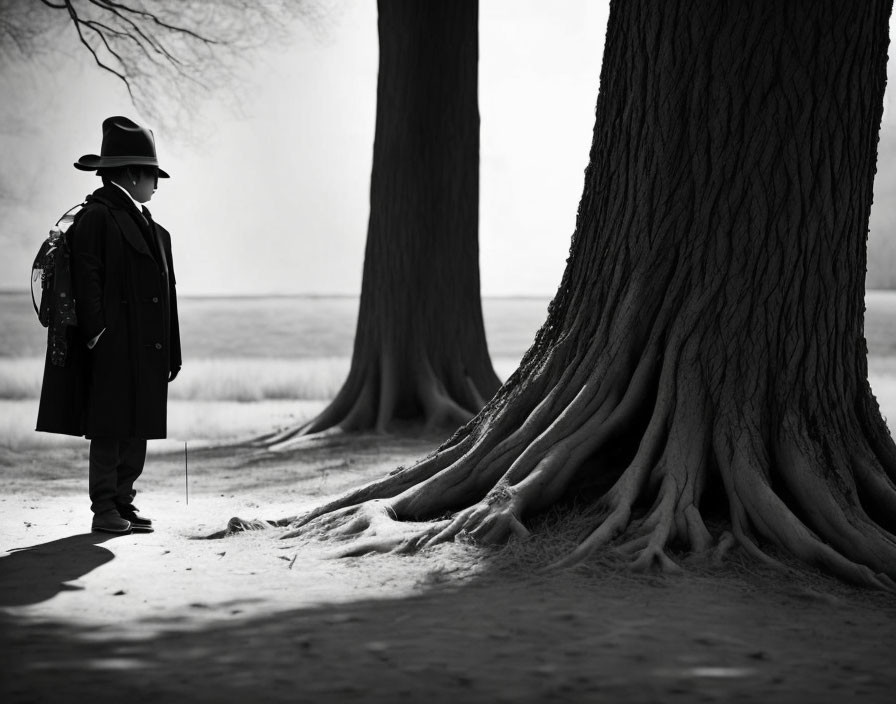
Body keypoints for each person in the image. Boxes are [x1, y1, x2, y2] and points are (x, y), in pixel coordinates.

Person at [36, 116, 181, 534]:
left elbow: (166, 294)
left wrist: (172, 351)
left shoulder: (153, 227)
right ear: (132, 174)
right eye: (153, 174)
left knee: (138, 428)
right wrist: (99, 334)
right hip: (114, 344)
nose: (157, 183)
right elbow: (88, 277)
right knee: (110, 427)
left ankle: (123, 501)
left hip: (146, 347)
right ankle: (104, 508)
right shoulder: (98, 216)